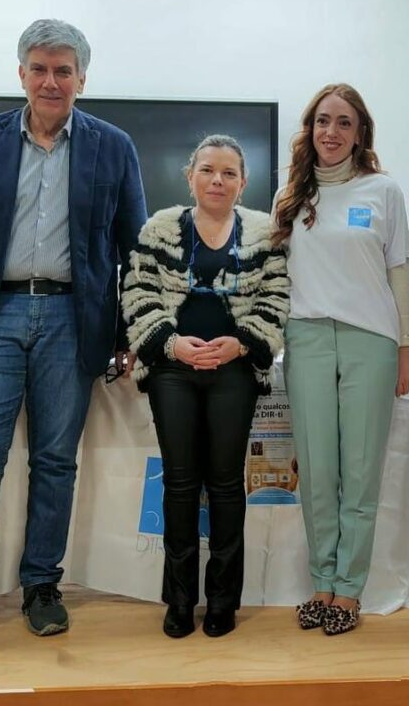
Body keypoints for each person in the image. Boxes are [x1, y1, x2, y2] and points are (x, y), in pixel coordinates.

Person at [0, 19, 147, 648]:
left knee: (55, 459)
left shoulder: (113, 146)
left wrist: (129, 330)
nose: (51, 81)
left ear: (82, 78)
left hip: (72, 320)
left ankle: (42, 585)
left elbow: (133, 246)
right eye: (40, 69)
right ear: (21, 74)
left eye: (64, 71)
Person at [122, 135, 289, 638]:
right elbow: (137, 292)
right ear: (190, 176)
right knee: (179, 484)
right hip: (172, 371)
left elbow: (277, 297)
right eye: (208, 170)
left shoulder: (265, 234)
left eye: (229, 173)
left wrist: (243, 344)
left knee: (225, 484)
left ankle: (222, 601)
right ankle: (179, 600)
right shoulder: (158, 228)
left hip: (235, 372)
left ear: (243, 182)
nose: (218, 180)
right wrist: (172, 345)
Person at [274, 84, 409, 636]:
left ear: (360, 134)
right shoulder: (291, 195)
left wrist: (404, 347)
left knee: (359, 473)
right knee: (316, 473)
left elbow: (398, 273)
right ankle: (322, 583)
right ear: (310, 129)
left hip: (370, 342)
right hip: (307, 338)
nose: (330, 132)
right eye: (322, 121)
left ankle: (350, 590)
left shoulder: (383, 190)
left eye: (343, 123)